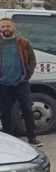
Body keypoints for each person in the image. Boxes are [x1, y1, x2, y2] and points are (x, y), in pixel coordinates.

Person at [0, 18, 42, 147]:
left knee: (27, 109)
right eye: (3, 27)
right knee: (4, 112)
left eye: (8, 26)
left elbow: (32, 60)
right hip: (3, 83)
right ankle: (9, 140)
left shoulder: (23, 42)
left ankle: (32, 138)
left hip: (21, 82)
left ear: (14, 27)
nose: (5, 29)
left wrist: (27, 76)